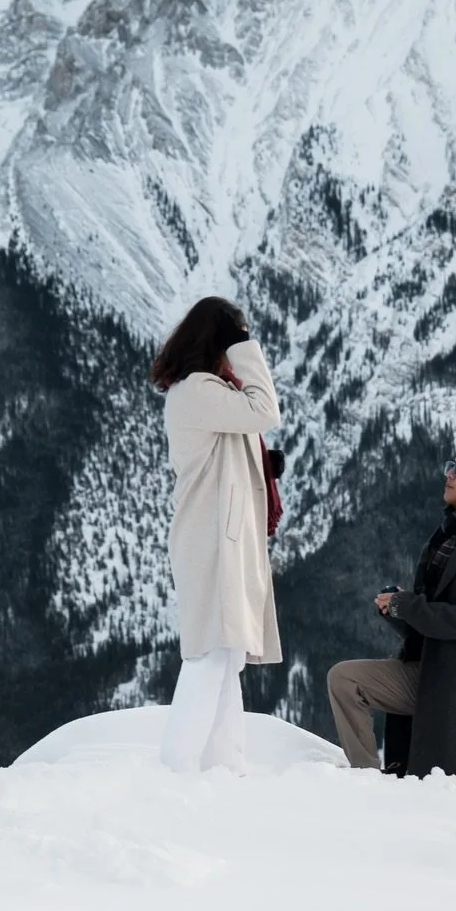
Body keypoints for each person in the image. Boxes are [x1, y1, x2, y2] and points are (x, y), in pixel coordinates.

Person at [326, 432, 456, 792]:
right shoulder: (448, 537)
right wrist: (399, 612)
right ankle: (367, 783)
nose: (448, 473)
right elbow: (434, 621)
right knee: (345, 680)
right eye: (451, 465)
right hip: (430, 672)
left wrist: (410, 606)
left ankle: (375, 788)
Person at [151, 296, 283, 772]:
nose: (239, 346)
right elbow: (264, 410)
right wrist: (247, 349)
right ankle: (176, 767)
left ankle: (224, 767)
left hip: (216, 535)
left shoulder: (204, 390)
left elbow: (241, 429)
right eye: (234, 336)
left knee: (224, 656)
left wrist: (264, 465)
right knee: (212, 654)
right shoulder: (197, 389)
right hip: (212, 540)